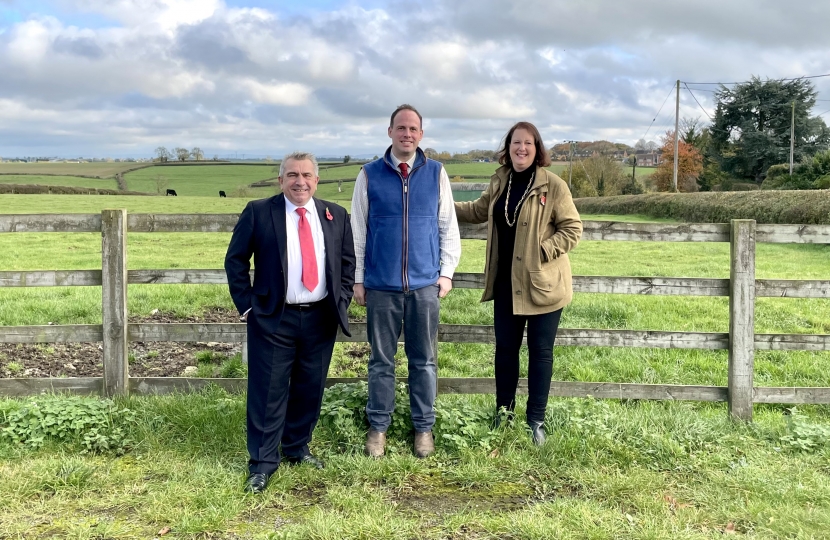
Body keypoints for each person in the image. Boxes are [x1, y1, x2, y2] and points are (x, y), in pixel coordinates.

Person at [225, 152, 355, 493]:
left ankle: (297, 448)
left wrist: (340, 300)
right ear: (280, 180)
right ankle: (263, 463)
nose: (300, 181)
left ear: (317, 180)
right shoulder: (259, 212)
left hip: (320, 316)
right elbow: (235, 261)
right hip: (273, 317)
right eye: (293, 175)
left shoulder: (335, 215)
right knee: (268, 391)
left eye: (307, 175)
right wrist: (248, 306)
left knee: (309, 388)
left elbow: (346, 264)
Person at [454, 122, 582, 445]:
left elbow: (572, 229)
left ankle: (535, 420)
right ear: (507, 148)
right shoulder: (501, 182)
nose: (520, 149)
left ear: (537, 149)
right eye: (515, 143)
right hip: (506, 285)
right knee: (506, 352)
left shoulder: (554, 186)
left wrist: (542, 251)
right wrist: (441, 205)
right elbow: (477, 211)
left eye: (527, 143)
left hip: (543, 286)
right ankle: (504, 414)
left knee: (541, 353)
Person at [351, 104, 461, 458]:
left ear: (421, 134)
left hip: (424, 285)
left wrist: (446, 273)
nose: (407, 134)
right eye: (401, 128)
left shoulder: (436, 173)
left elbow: (447, 225)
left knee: (424, 359)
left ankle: (423, 428)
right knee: (381, 360)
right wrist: (357, 278)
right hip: (381, 285)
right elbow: (358, 231)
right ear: (390, 132)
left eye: (413, 129)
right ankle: (378, 427)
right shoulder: (368, 175)